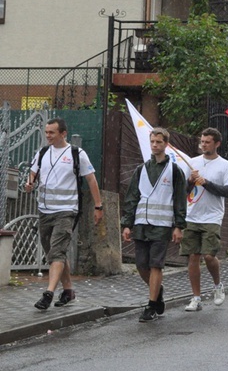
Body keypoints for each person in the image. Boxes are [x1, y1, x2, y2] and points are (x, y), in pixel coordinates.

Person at [26, 118, 104, 310]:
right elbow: (32, 173)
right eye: (46, 132)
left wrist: (98, 206)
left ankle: (48, 293)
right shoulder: (43, 153)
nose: (48, 136)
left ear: (63, 134)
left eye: (51, 132)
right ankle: (68, 290)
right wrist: (29, 183)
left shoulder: (77, 154)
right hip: (45, 211)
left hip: (66, 211)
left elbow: (91, 180)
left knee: (57, 251)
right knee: (54, 254)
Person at [121, 128, 187, 322]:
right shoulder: (141, 169)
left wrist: (179, 226)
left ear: (166, 144)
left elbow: (179, 200)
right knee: (141, 265)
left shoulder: (174, 170)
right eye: (152, 142)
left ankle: (150, 306)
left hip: (162, 225)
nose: (155, 145)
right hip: (141, 224)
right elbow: (132, 197)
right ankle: (157, 291)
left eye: (159, 142)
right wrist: (127, 224)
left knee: (155, 264)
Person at [181, 128, 228, 312]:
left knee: (209, 255)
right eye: (202, 141)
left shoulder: (225, 165)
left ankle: (217, 285)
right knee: (193, 256)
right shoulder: (192, 162)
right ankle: (196, 298)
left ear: (216, 144)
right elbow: (183, 191)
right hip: (192, 214)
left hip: (213, 216)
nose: (203, 144)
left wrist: (207, 183)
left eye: (207, 142)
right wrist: (190, 181)